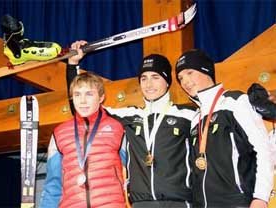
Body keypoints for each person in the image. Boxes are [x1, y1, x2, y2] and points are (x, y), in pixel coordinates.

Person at [66, 40, 197, 208]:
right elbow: (84, 108)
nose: (149, 84)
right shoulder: (129, 115)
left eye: (155, 77)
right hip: (140, 204)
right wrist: (73, 64)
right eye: (144, 78)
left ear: (167, 81)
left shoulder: (188, 115)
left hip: (179, 203)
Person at [175, 49, 274, 208]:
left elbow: (263, 149)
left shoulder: (236, 102)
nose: (185, 81)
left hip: (236, 202)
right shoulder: (195, 118)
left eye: (190, 73)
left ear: (206, 70)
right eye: (180, 78)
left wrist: (261, 197)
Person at [39, 72, 126, 207]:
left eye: (89, 94)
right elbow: (53, 184)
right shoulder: (59, 133)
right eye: (77, 94)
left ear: (101, 97)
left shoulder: (117, 129)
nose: (82, 101)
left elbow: (132, 175)